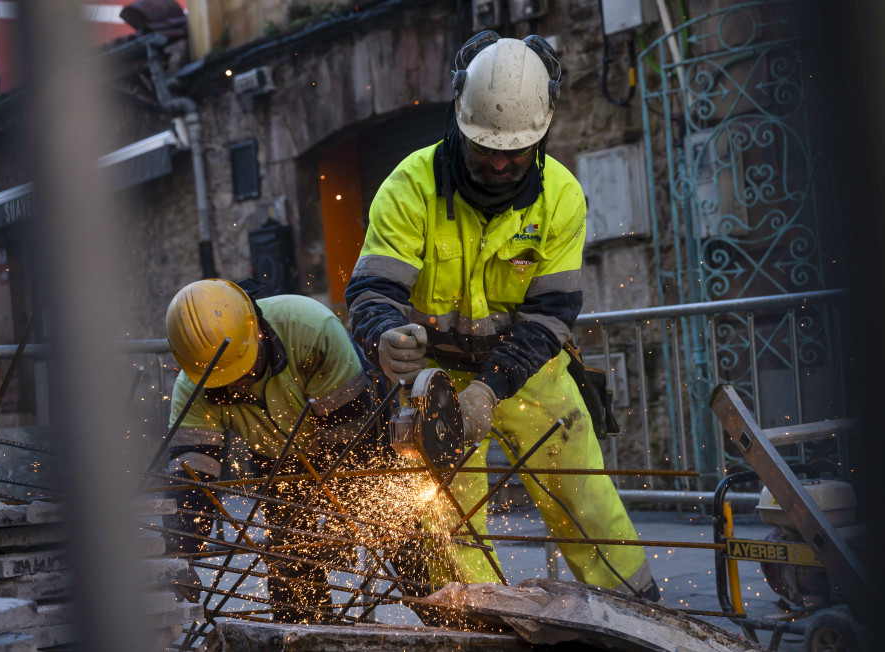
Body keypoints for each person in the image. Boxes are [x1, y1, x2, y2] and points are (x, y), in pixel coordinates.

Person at [345, 31, 658, 600]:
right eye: (484, 146)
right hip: (435, 382)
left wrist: (489, 391)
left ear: (541, 133)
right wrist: (386, 336)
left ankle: (637, 612)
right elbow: (371, 290)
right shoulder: (409, 187)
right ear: (459, 121)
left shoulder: (561, 197)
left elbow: (550, 315)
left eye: (514, 150)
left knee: (586, 504)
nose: (497, 161)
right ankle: (481, 625)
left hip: (529, 372)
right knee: (451, 528)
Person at [162, 278, 383, 621]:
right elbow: (193, 484)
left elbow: (351, 445)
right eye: (224, 380)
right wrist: (180, 556)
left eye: (242, 369)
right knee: (291, 568)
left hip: (352, 442)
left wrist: (338, 522)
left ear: (257, 330)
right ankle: (304, 634)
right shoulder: (191, 388)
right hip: (276, 460)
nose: (236, 383)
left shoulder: (311, 331)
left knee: (405, 541)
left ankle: (454, 613)